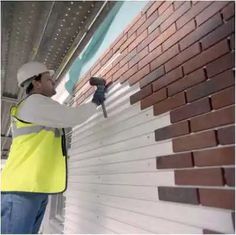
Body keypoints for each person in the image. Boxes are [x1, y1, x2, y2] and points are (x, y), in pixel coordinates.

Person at [1, 61, 106, 234]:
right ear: (36, 82)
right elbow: (72, 116)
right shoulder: (35, 103)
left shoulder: (40, 108)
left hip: (33, 188)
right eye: (48, 79)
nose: (53, 82)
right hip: (22, 190)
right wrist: (95, 100)